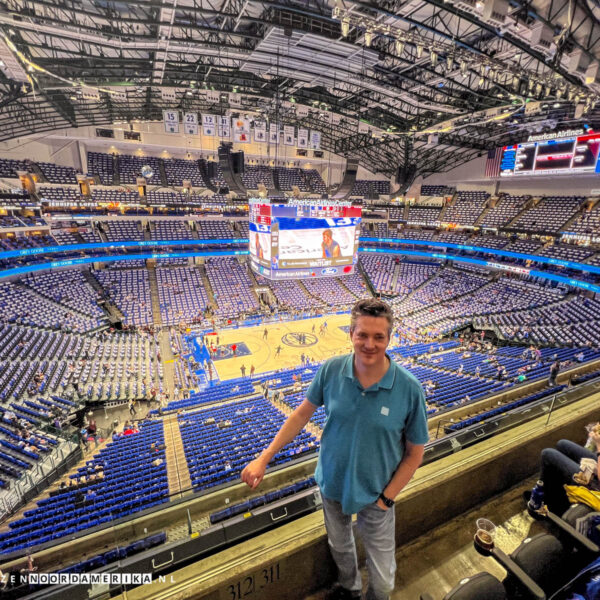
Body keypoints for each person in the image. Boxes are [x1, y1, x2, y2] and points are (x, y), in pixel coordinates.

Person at [242, 298, 428, 600]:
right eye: (362, 335)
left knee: (383, 584)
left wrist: (386, 499)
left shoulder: (409, 389)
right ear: (351, 334)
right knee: (340, 547)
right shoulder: (330, 370)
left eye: (378, 336)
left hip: (377, 495)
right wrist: (264, 458)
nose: (369, 343)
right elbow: (301, 415)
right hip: (332, 486)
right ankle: (350, 589)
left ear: (389, 338)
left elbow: (415, 454)